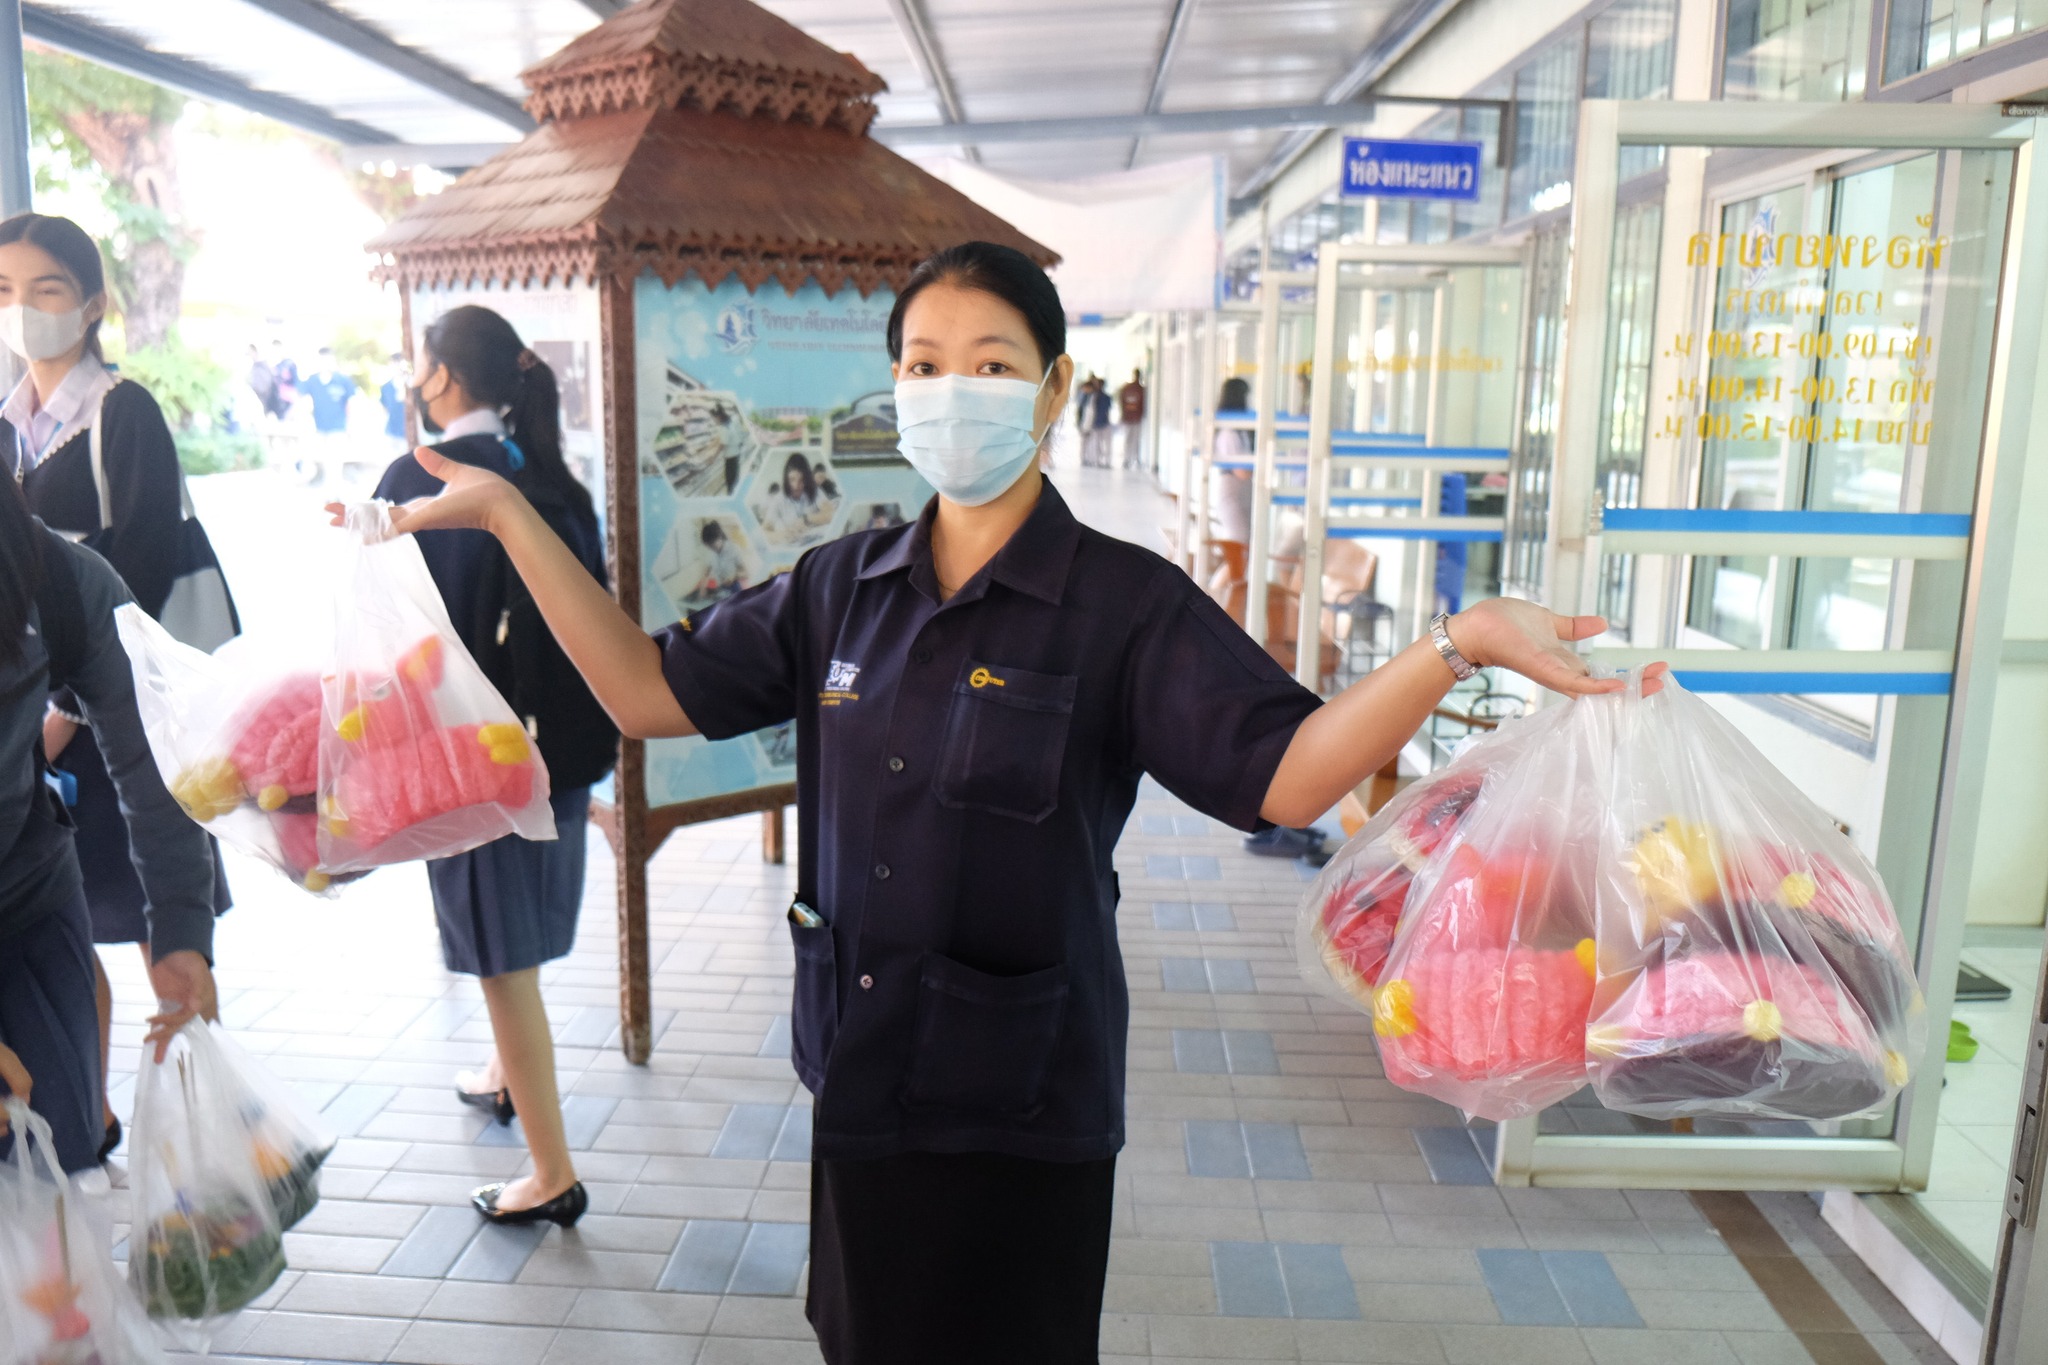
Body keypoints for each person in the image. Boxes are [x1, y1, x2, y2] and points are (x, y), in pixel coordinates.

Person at [352, 239, 1639, 1364]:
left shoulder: (1121, 604)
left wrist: (1453, 642)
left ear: (1052, 389)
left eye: (985, 361)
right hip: (863, 1077)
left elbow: (1286, 771)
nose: (946, 388)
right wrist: (514, 518)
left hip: (1026, 1103)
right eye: (919, 363)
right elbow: (641, 690)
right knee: (860, 1339)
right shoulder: (837, 588)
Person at [356, 304, 615, 1227]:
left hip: (470, 768)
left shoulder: (415, 475)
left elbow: (386, 633)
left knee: (504, 969)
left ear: (442, 379)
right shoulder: (551, 478)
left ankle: (551, 1173)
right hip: (562, 754)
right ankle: (504, 1078)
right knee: (523, 943)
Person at [0, 211, 233, 1163]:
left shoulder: (119, 413)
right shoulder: (12, 418)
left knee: (121, 922)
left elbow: (132, 590)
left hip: (73, 744)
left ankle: (135, 1125)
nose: (22, 311)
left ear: (92, 304)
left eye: (43, 290)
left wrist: (184, 933)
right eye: (6, 293)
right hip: (51, 752)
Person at [0, 475, 221, 1174]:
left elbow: (153, 753)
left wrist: (182, 930)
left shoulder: (55, 575)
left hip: (30, 905)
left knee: (55, 1166)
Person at [757, 450, 840, 544]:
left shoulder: (814, 491)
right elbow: (763, 531)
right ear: (786, 479)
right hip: (791, 544)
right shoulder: (779, 498)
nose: (796, 486)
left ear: (807, 479)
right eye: (792, 480)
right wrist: (782, 535)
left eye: (801, 480)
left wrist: (806, 519)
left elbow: (831, 515)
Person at [304, 346, 359, 485]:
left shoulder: (343, 380)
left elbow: (351, 403)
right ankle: (327, 491)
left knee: (335, 461)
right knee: (323, 460)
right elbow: (304, 401)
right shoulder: (312, 381)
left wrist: (351, 426)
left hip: (338, 427)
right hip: (319, 428)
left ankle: (335, 491)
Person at [378, 352, 409, 454]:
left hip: (409, 432)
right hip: (392, 432)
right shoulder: (386, 387)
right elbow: (384, 407)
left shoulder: (411, 384)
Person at [1116, 367, 1146, 469]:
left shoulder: (1139, 389)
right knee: (1132, 439)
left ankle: (1133, 459)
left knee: (1133, 439)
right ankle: (1129, 459)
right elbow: (1122, 402)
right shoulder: (1133, 388)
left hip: (1134, 418)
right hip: (1132, 418)